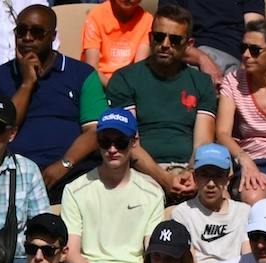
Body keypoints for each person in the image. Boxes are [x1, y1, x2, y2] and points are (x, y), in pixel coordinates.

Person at [88, 0, 222, 197]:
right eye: (159, 37)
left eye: (175, 40)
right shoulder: (125, 79)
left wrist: (192, 174)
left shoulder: (201, 83)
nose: (165, 45)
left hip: (189, 170)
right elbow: (130, 143)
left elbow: (202, 143)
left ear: (189, 44)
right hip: (140, 171)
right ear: (150, 37)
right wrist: (164, 178)